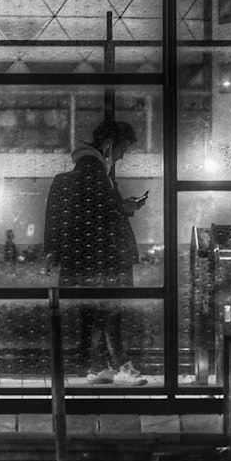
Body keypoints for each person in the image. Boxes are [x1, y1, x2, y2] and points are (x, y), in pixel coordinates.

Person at [43, 117, 148, 385]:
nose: (122, 157)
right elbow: (98, 216)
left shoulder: (84, 170)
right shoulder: (94, 172)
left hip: (83, 260)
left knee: (93, 314)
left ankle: (98, 366)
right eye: (123, 150)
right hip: (103, 259)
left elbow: (75, 216)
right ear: (110, 145)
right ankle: (119, 368)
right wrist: (124, 208)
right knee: (111, 312)